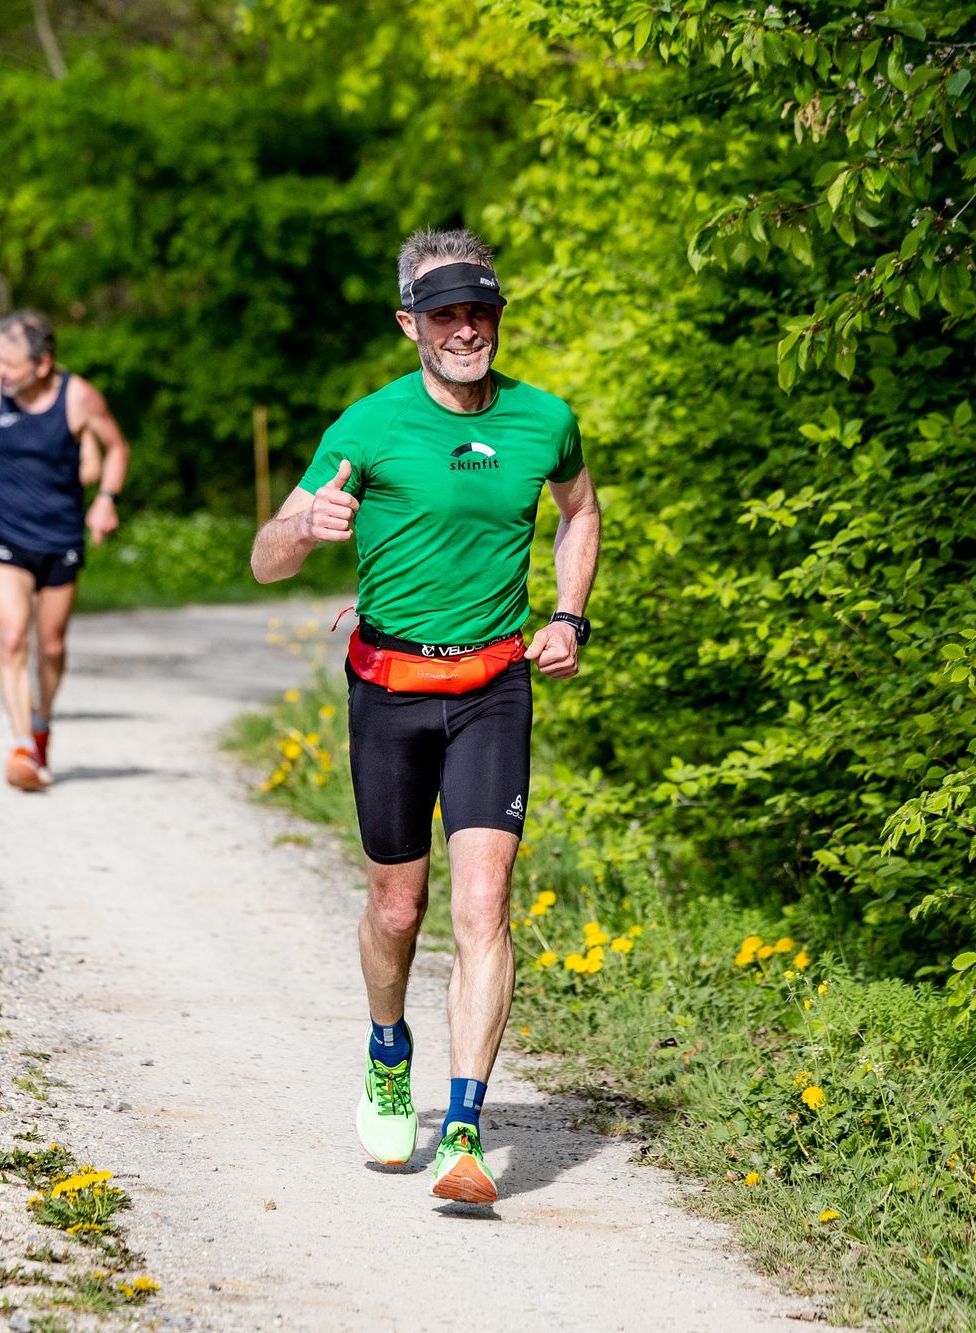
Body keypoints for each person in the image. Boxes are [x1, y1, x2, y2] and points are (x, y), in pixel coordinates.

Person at [249, 228, 601, 1204]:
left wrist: (567, 613)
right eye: (443, 312)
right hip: (388, 690)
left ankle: (462, 1131)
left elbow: (578, 509)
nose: (464, 328)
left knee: (482, 902)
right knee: (396, 906)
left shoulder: (543, 419)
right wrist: (301, 528)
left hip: (492, 686)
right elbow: (263, 558)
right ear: (408, 323)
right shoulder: (364, 427)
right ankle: (385, 1044)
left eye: (478, 310)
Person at [0, 310, 131, 791]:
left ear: (42, 365)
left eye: (10, 365)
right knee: (13, 636)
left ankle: (41, 724)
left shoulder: (77, 397)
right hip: (5, 534)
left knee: (52, 644)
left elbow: (117, 448)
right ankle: (21, 744)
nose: (1, 373)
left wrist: (105, 500)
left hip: (60, 538)